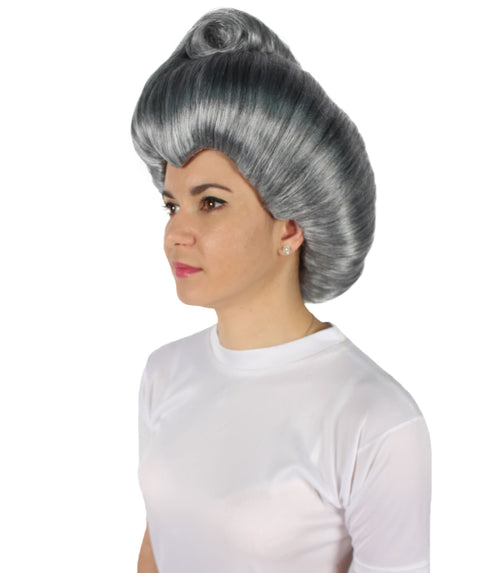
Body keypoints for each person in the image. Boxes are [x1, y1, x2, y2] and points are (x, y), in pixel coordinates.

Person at [132, 9, 431, 573]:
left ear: (290, 226)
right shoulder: (164, 374)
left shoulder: (374, 419)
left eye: (210, 202)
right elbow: (159, 544)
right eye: (171, 205)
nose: (176, 233)